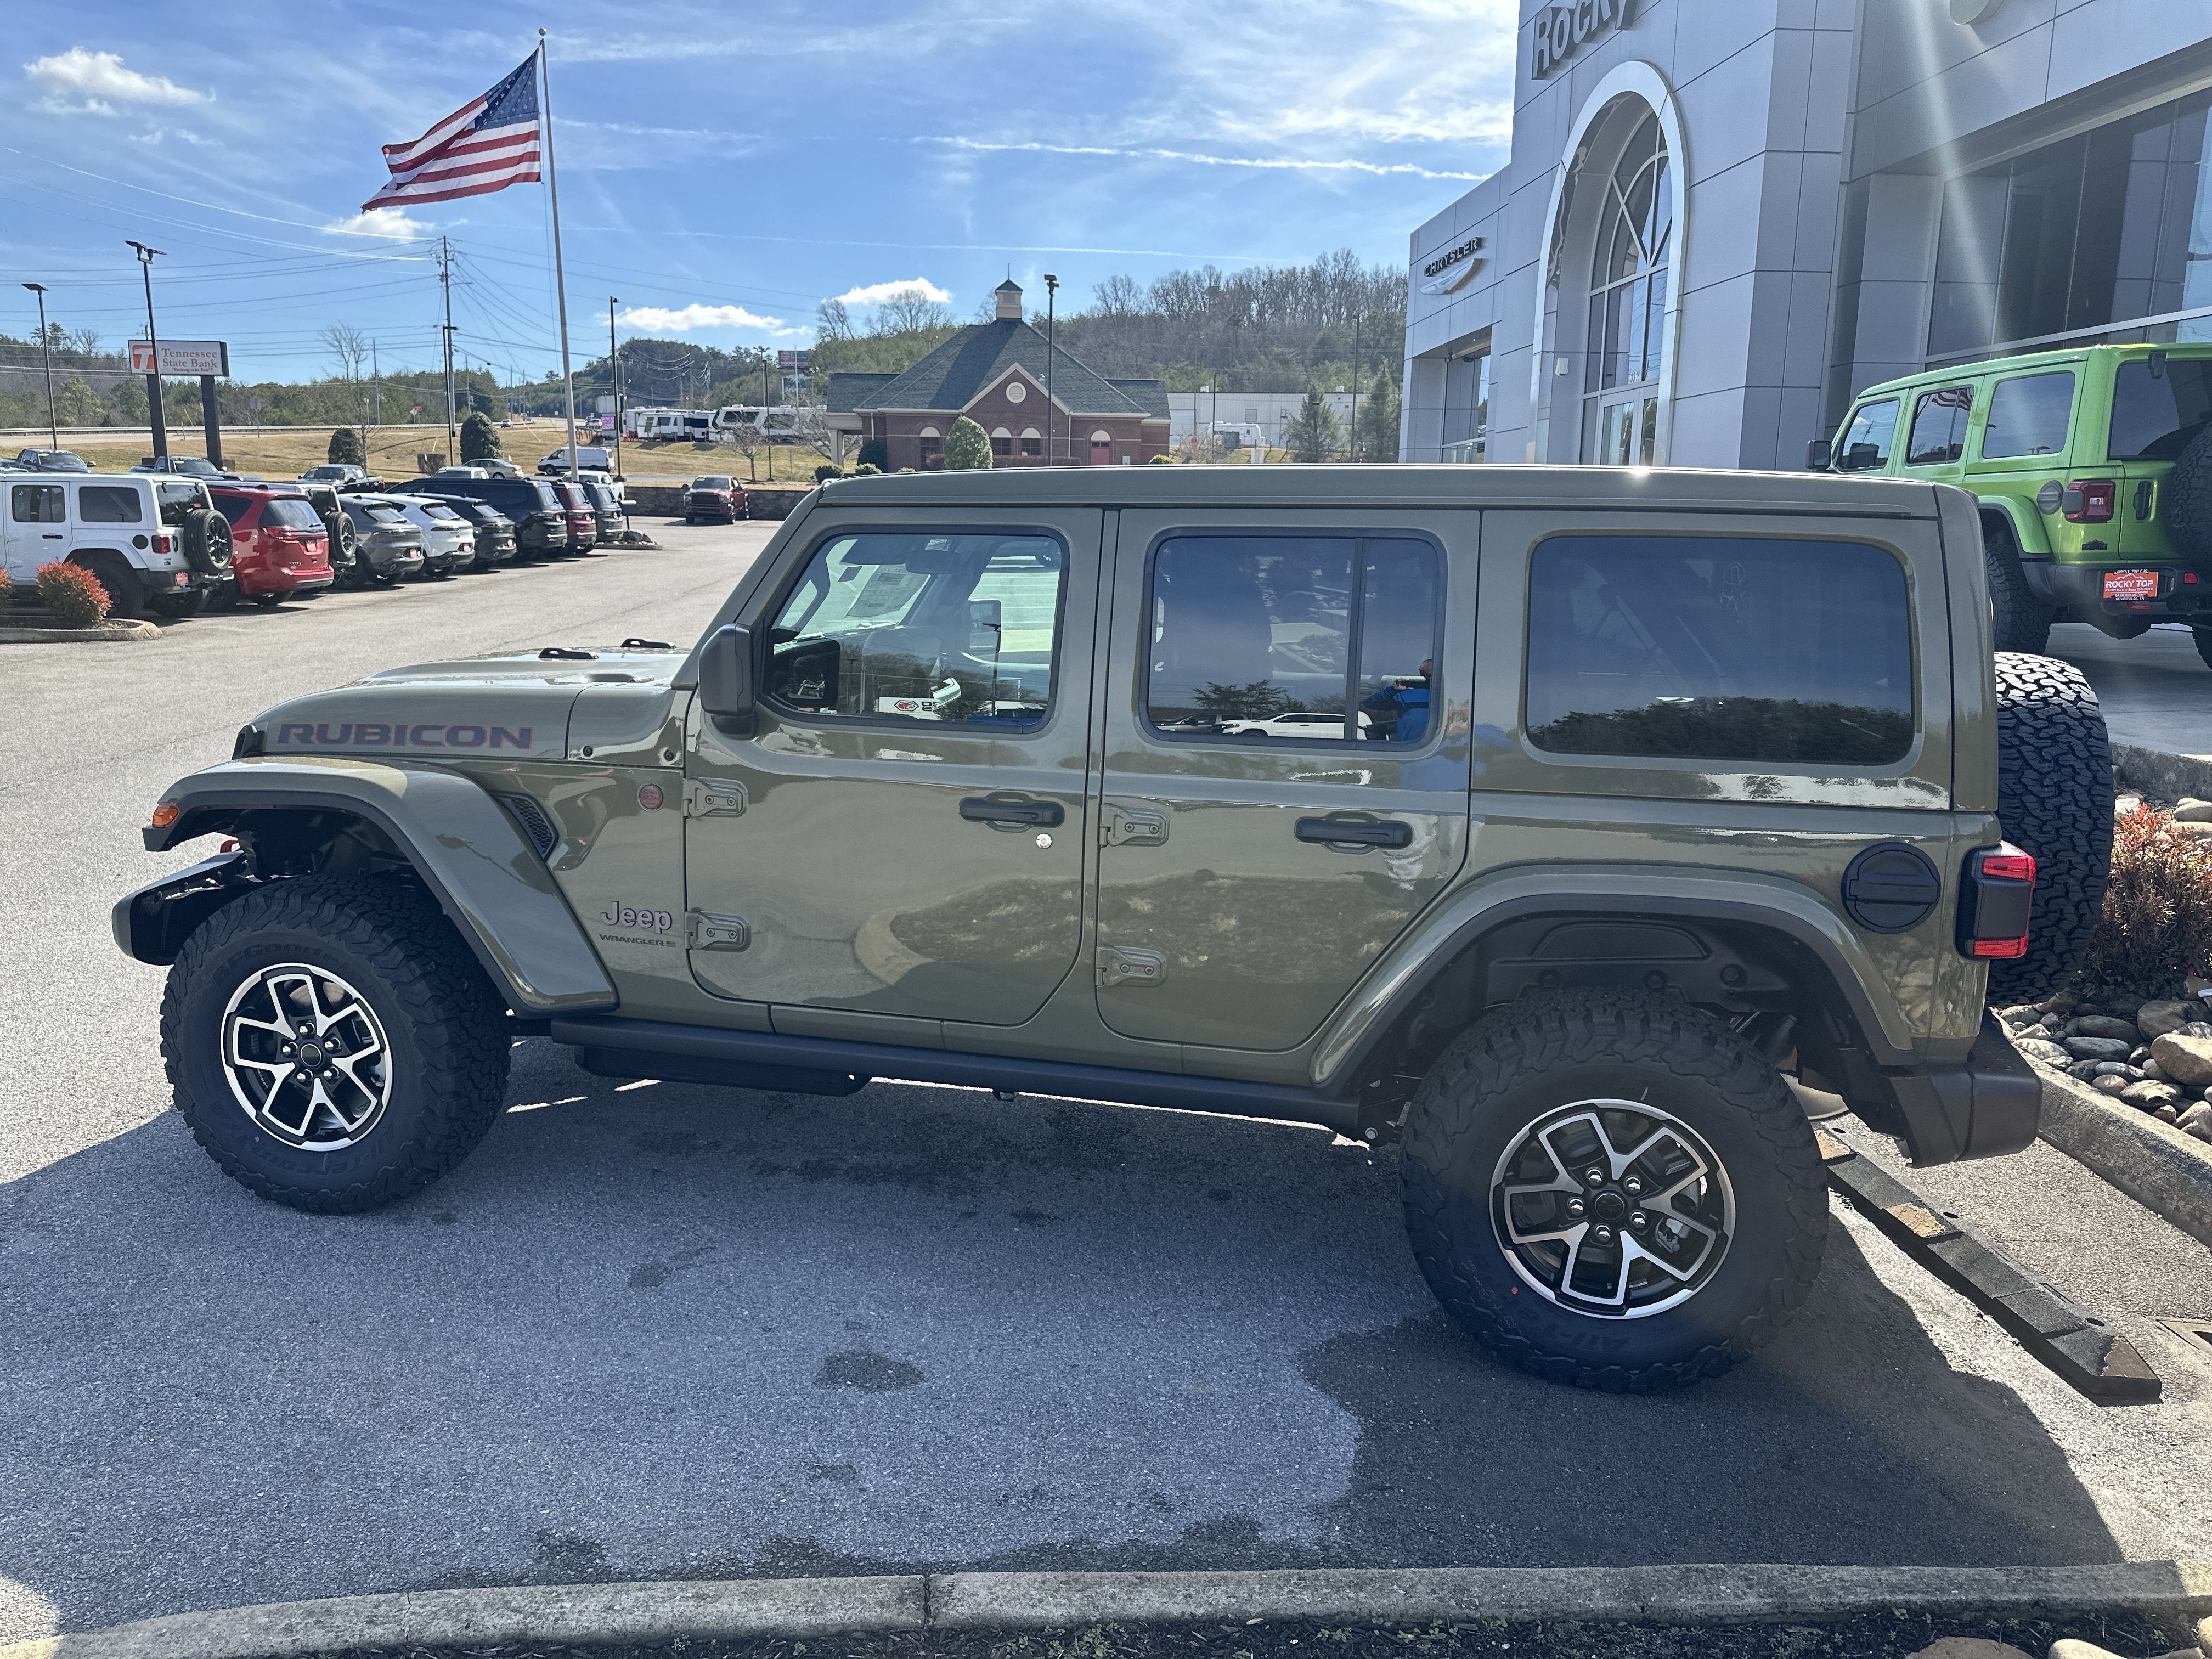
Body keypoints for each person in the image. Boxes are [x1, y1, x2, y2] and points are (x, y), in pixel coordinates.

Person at [1362, 658, 1432, 743]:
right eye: (1428, 675)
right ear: (1420, 672)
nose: (1430, 677)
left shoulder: (1449, 694)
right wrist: (1392, 690)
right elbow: (1369, 704)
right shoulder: (1405, 693)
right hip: (1409, 751)